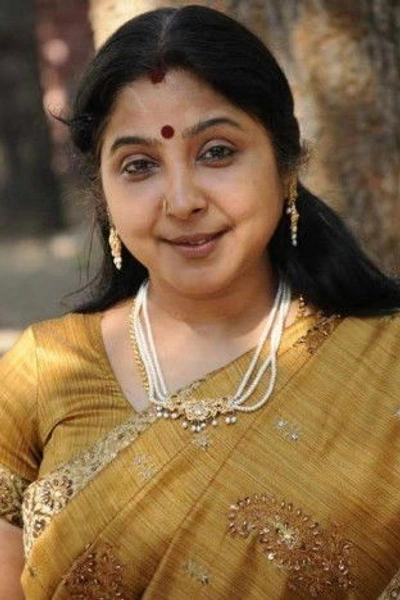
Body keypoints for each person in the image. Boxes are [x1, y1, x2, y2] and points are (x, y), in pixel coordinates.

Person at [0, 5, 399, 599]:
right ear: (102, 193)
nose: (182, 200)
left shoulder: (386, 361)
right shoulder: (39, 373)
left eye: (216, 152)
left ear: (285, 164)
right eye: (139, 165)